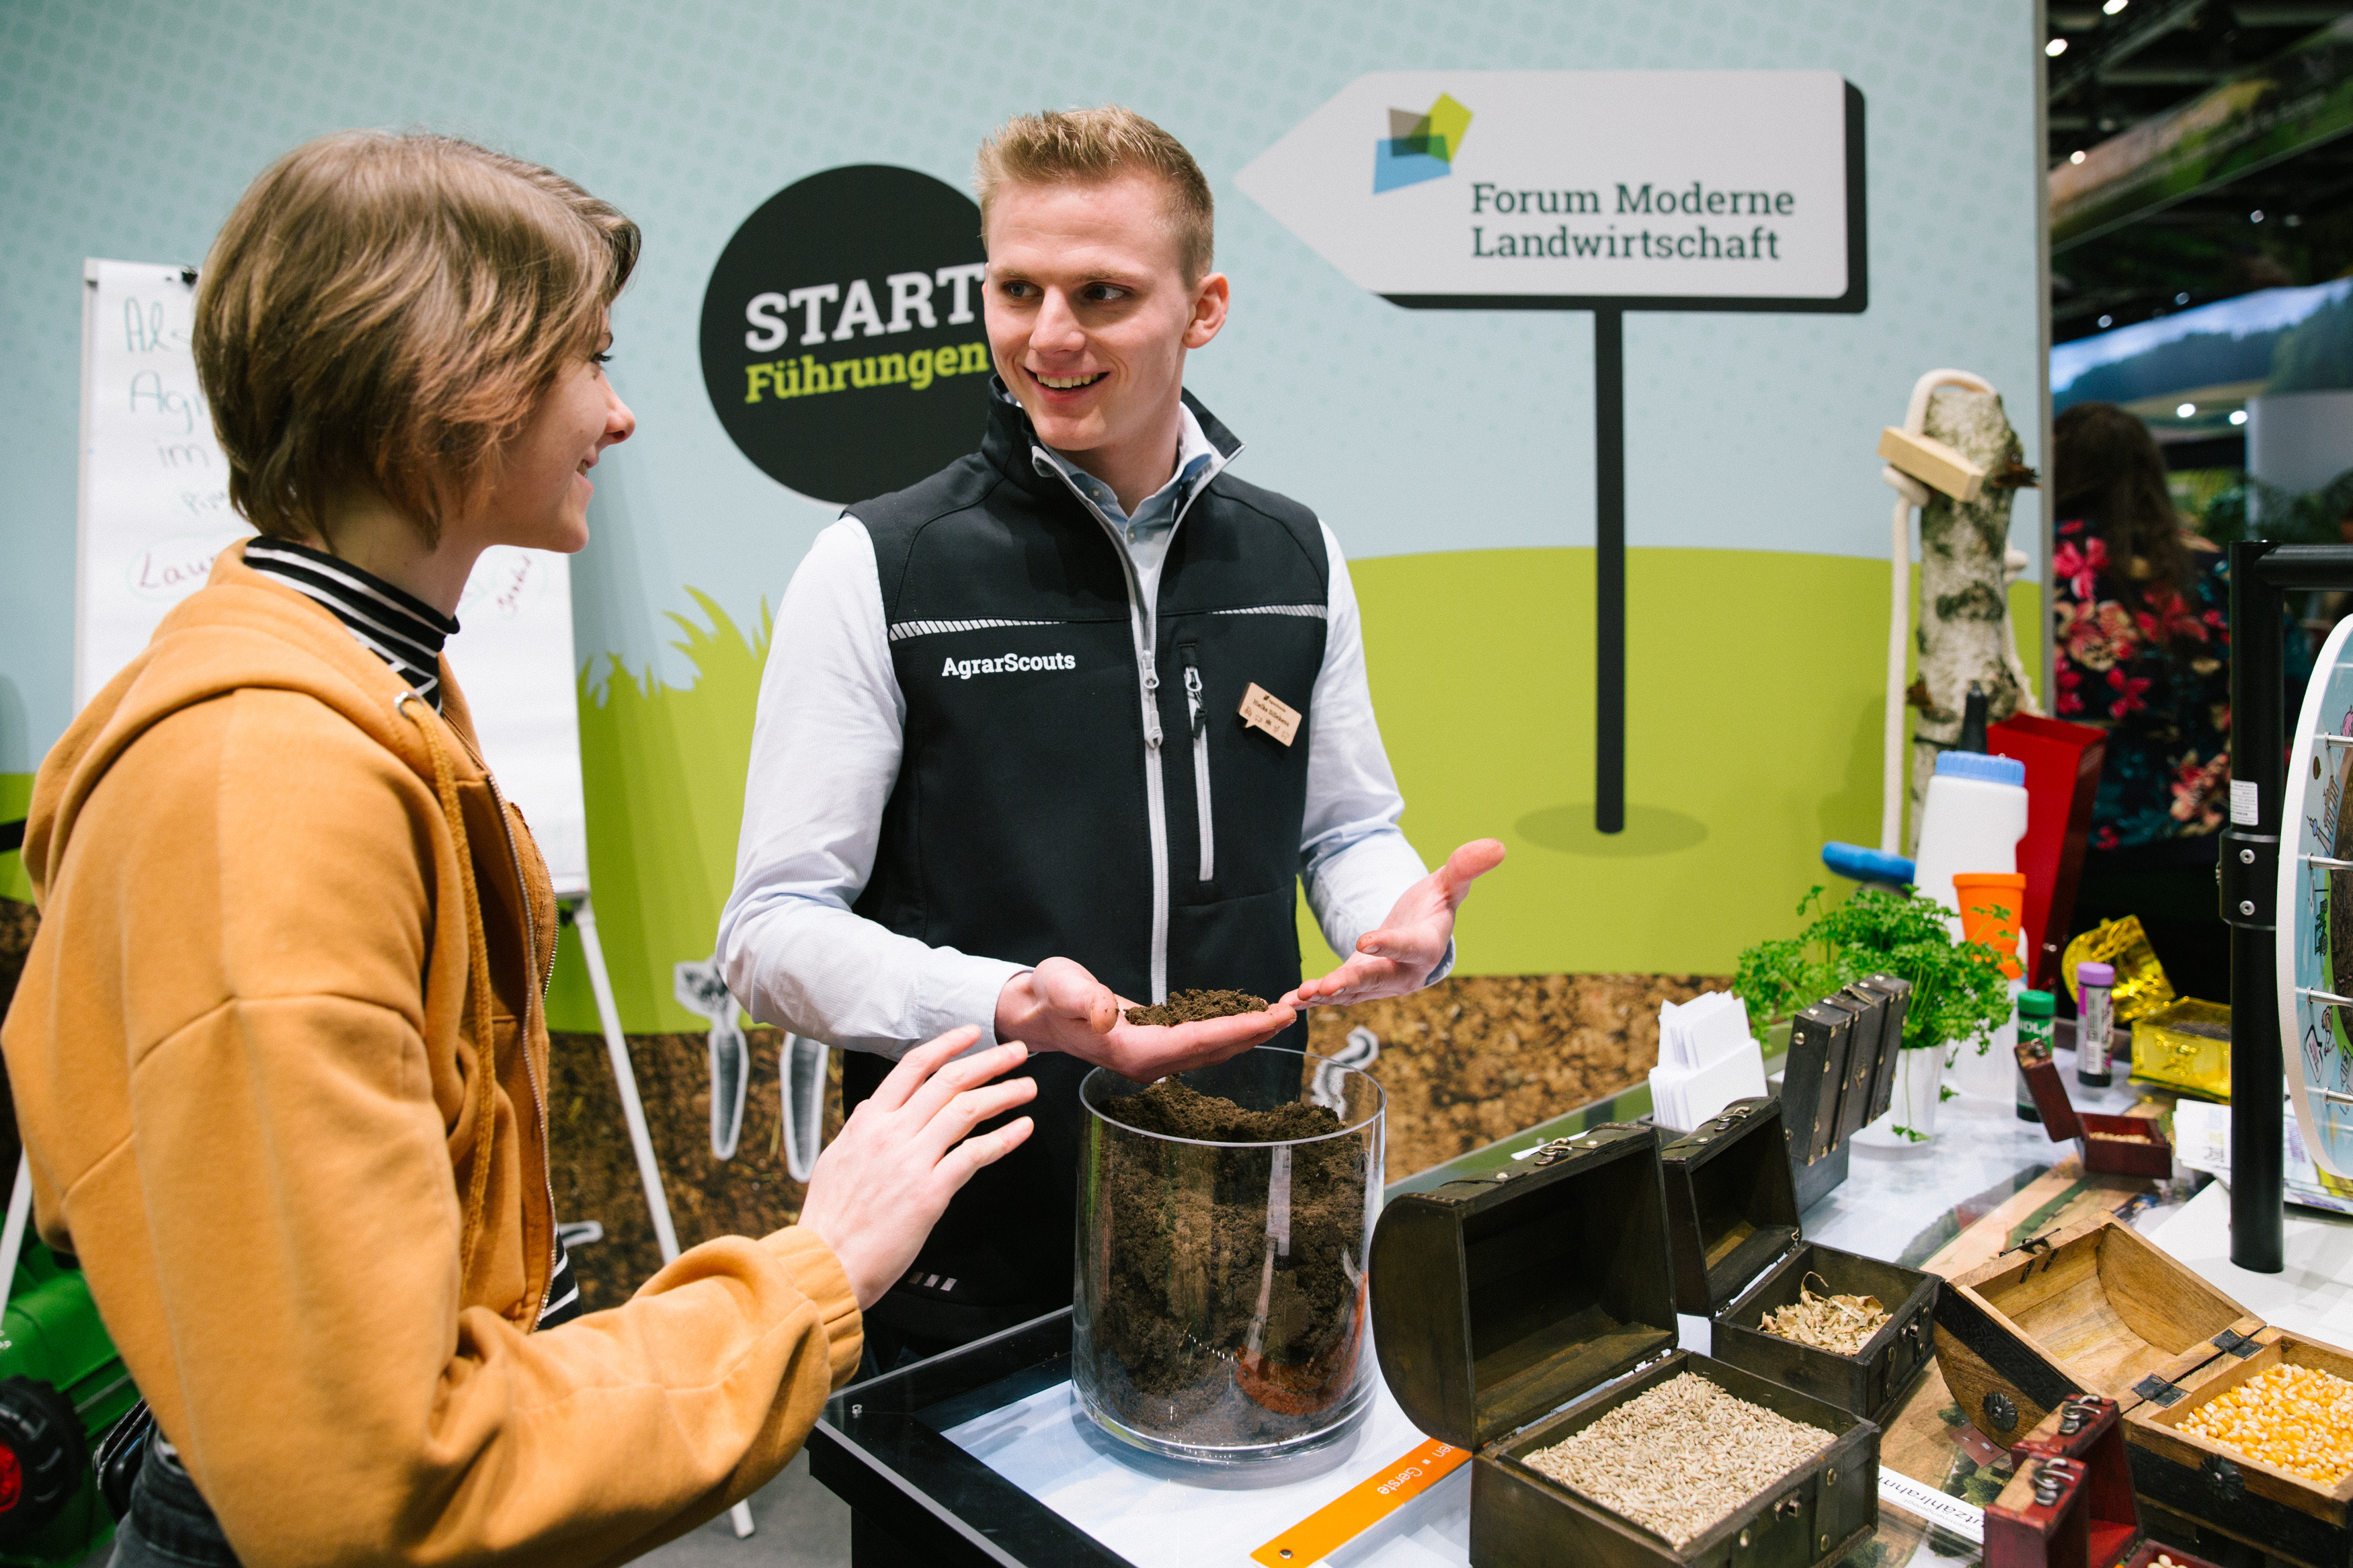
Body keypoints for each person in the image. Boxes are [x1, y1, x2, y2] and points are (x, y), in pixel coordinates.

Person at [1, 132, 1038, 1568]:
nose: (616, 416)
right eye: (585, 361)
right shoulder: (273, 786)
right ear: (452, 384)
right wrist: (815, 1269)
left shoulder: (381, 696)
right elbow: (375, 1482)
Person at [720, 106, 1504, 1369]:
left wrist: (1396, 915)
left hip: (1237, 1206)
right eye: (1016, 288)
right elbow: (766, 935)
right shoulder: (881, 563)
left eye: (1102, 292)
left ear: (1205, 309)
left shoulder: (1294, 553)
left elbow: (1345, 825)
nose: (1049, 336)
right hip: (972, 1229)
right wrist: (1006, 1002)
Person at [2050, 401, 2270, 1003]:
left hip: (2073, 853)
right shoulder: (2213, 569)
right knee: (2205, 1046)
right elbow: (2289, 690)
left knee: (2077, 1049)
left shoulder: (2039, 571)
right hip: (2200, 857)